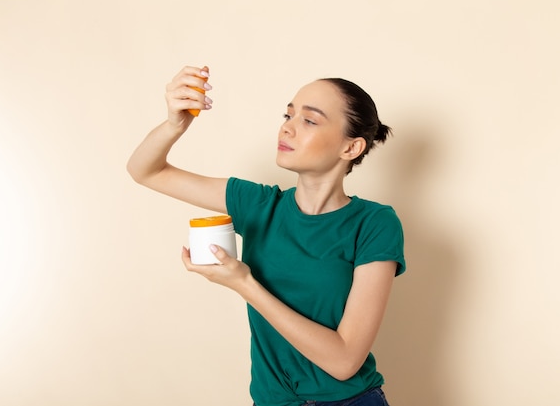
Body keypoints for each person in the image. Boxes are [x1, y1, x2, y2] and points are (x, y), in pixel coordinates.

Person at [127, 65, 406, 406]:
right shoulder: (258, 204)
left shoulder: (375, 223)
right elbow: (145, 170)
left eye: (309, 120)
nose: (287, 127)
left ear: (351, 148)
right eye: (287, 114)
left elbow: (345, 361)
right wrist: (175, 124)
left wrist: (244, 284)